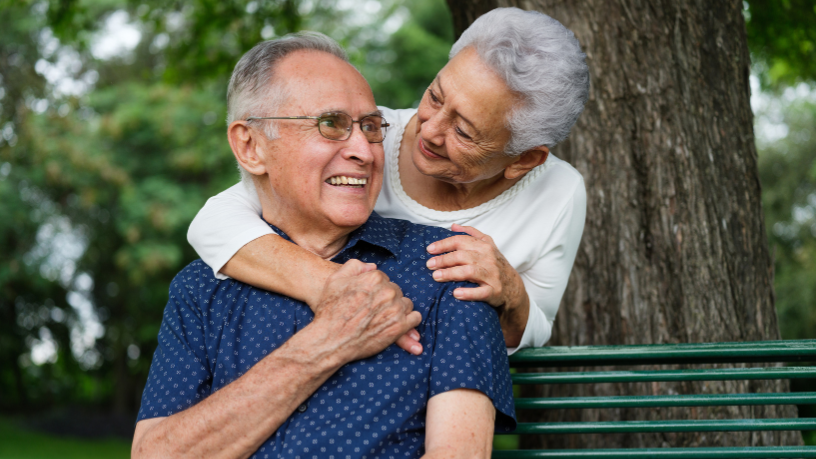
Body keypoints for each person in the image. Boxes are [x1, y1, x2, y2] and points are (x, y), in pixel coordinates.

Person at [132, 33, 515, 459]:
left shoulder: (448, 265)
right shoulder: (200, 289)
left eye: (370, 127)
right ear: (250, 146)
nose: (364, 152)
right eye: (331, 124)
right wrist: (324, 344)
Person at [187, 7, 590, 353]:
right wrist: (334, 286)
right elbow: (214, 223)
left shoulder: (559, 192)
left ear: (523, 159)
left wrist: (511, 292)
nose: (429, 129)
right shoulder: (364, 137)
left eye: (464, 132)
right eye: (435, 96)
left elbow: (534, 327)